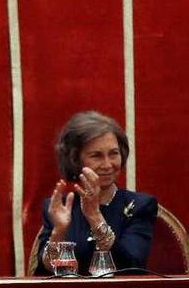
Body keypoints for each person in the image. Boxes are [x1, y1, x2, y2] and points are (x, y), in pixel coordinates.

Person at [36, 111, 157, 275]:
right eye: (96, 156)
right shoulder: (60, 208)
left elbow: (132, 266)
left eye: (114, 153)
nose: (107, 164)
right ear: (75, 159)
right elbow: (46, 273)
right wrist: (59, 232)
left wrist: (95, 217)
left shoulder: (140, 206)